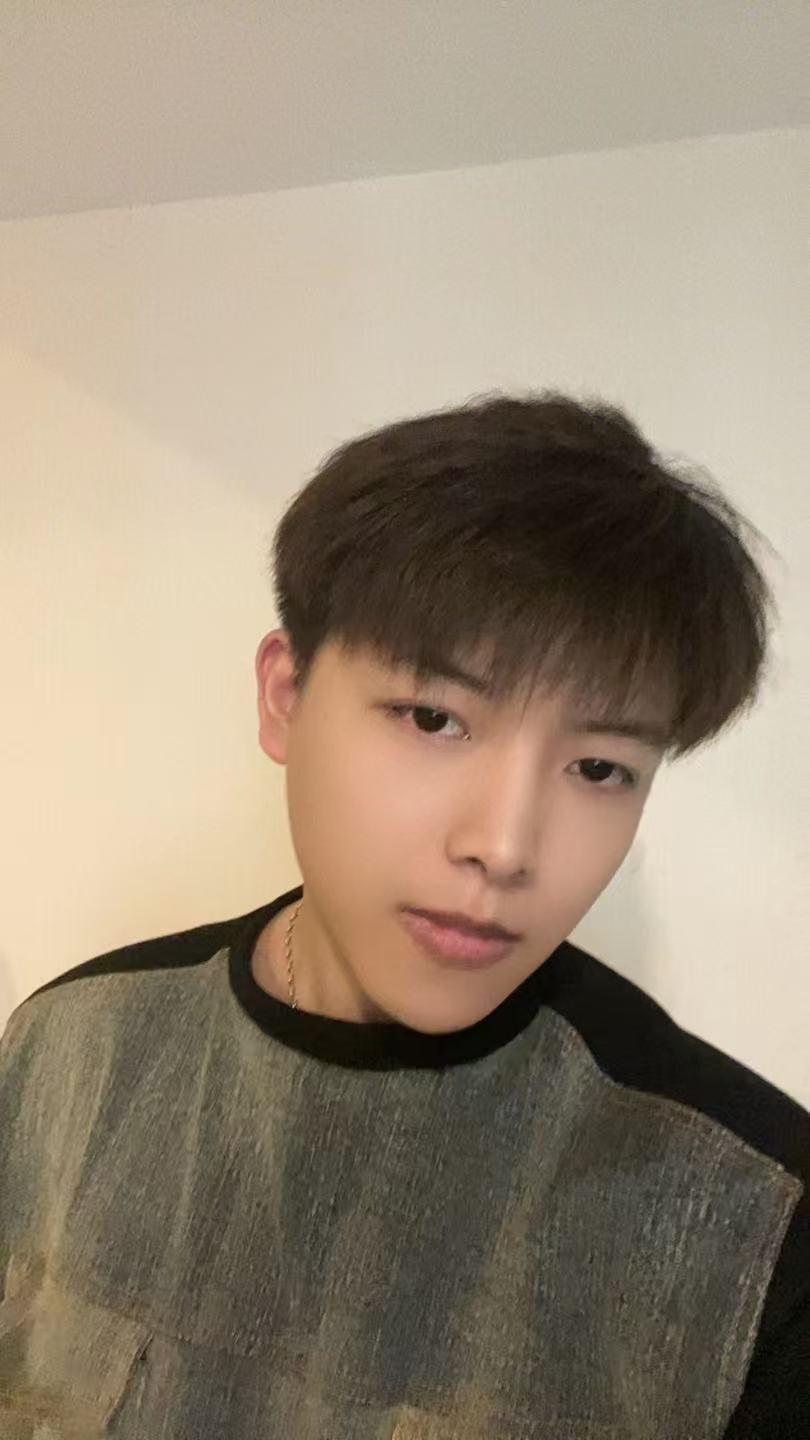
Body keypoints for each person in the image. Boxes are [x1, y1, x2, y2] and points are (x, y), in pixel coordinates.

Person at [1, 390, 806, 1437]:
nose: (505, 845)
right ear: (286, 697)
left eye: (600, 767)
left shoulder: (756, 1225)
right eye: (435, 717)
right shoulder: (70, 1048)